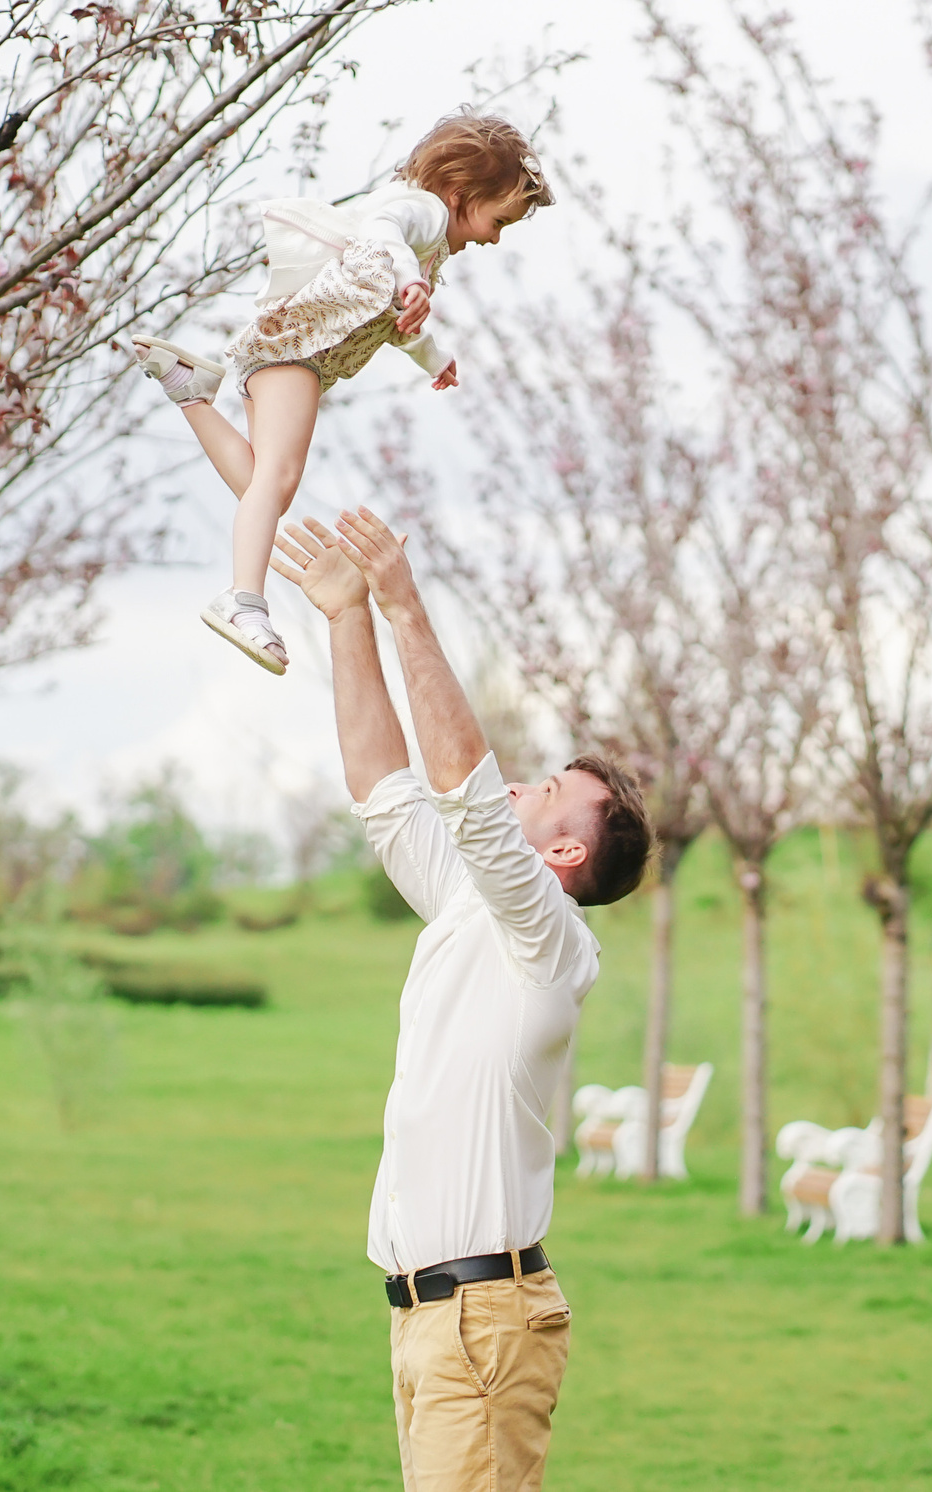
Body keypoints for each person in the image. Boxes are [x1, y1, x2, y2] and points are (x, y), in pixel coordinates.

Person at [272, 508, 651, 1492]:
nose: (520, 785)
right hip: (429, 1318)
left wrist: (406, 607)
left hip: (482, 1321)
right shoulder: (467, 906)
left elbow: (466, 794)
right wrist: (346, 616)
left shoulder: (548, 940)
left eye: (546, 790)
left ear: (564, 854)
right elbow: (387, 787)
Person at [131, 112, 554, 676]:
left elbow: (397, 323)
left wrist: (435, 355)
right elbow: (382, 231)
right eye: (498, 219)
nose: (495, 237)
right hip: (296, 352)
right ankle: (244, 601)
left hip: (290, 350)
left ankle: (189, 390)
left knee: (264, 483)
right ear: (460, 195)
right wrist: (410, 279)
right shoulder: (419, 212)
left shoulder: (427, 244)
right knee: (275, 482)